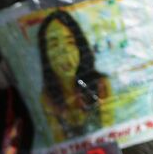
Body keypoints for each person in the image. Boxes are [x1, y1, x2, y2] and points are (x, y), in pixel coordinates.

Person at [36, 10, 112, 143]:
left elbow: (112, 130)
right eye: (54, 44)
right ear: (45, 54)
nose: (64, 52)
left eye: (70, 42)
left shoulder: (101, 84)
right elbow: (59, 142)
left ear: (79, 47)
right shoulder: (47, 98)